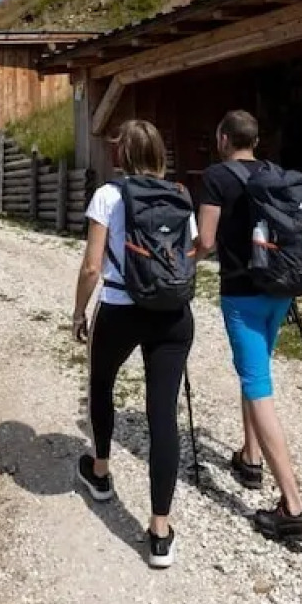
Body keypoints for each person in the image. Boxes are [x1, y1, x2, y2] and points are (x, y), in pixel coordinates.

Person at [72, 119, 198, 568]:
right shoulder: (181, 197)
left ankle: (101, 472)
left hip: (122, 309)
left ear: (121, 154)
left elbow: (91, 267)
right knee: (162, 415)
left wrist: (78, 312)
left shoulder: (108, 196)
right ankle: (160, 530)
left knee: (102, 384)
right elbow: (193, 252)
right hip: (173, 314)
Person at [195, 109, 302, 541]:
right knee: (256, 371)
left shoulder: (215, 177)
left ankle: (294, 507)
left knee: (258, 384)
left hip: (242, 294)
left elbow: (206, 242)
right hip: (279, 290)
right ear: (256, 140)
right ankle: (249, 457)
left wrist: (182, 259)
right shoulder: (275, 174)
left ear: (225, 137)